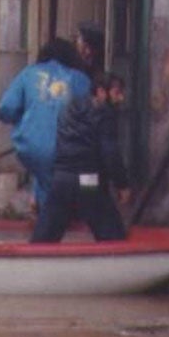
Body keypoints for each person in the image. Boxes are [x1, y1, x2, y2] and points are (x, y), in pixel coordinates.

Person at [32, 72, 131, 244]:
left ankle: (29, 266)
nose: (121, 98)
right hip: (89, 181)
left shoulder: (69, 108)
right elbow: (110, 153)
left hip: (61, 179)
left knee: (44, 239)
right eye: (117, 92)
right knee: (112, 238)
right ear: (101, 92)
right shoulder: (105, 114)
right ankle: (119, 267)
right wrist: (122, 184)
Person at [0, 37, 91, 208]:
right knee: (55, 179)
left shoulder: (28, 73)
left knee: (44, 174)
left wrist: (28, 118)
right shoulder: (80, 79)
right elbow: (89, 116)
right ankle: (51, 213)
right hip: (67, 149)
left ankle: (43, 208)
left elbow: (5, 109)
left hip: (30, 145)